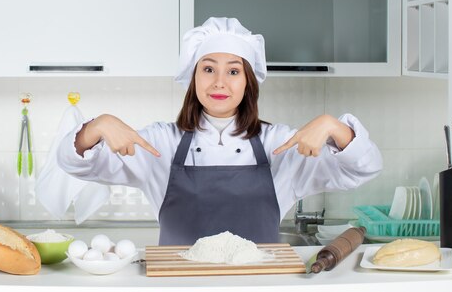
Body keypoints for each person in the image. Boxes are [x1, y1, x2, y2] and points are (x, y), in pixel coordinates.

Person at [56, 17, 382, 245]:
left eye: (234, 71)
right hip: (180, 286)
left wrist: (333, 126)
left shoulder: (281, 146)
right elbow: (73, 163)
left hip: (258, 287)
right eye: (208, 68)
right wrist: (97, 127)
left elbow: (365, 167)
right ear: (194, 77)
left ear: (248, 82)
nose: (219, 82)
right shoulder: (159, 144)